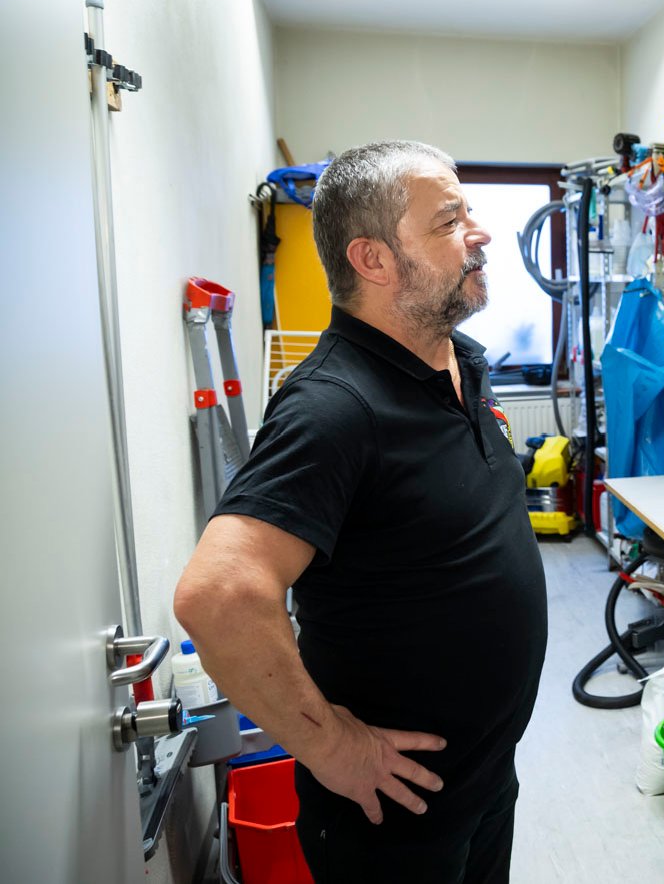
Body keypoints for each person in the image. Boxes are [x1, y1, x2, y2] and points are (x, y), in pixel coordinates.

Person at [174, 140, 547, 883]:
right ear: (373, 260)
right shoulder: (335, 408)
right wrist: (332, 748)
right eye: (449, 221)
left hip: (482, 779)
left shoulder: (461, 362)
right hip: (391, 815)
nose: (479, 233)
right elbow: (218, 596)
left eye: (468, 212)